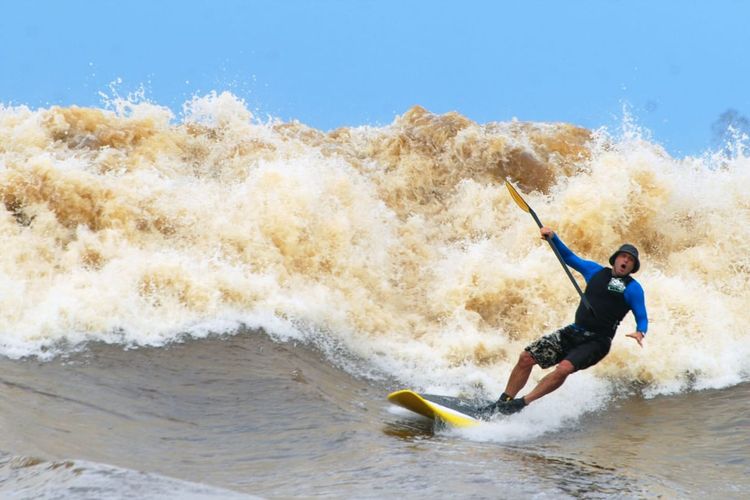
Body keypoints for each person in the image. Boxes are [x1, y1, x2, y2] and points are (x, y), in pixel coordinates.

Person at [484, 226, 649, 415]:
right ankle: (502, 403)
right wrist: (553, 238)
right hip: (574, 331)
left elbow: (642, 316)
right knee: (526, 358)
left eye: (630, 260)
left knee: (563, 369)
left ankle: (520, 404)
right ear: (616, 258)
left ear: (632, 267)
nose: (626, 261)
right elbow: (569, 257)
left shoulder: (634, 289)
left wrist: (640, 331)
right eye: (624, 256)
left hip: (597, 342)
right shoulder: (595, 271)